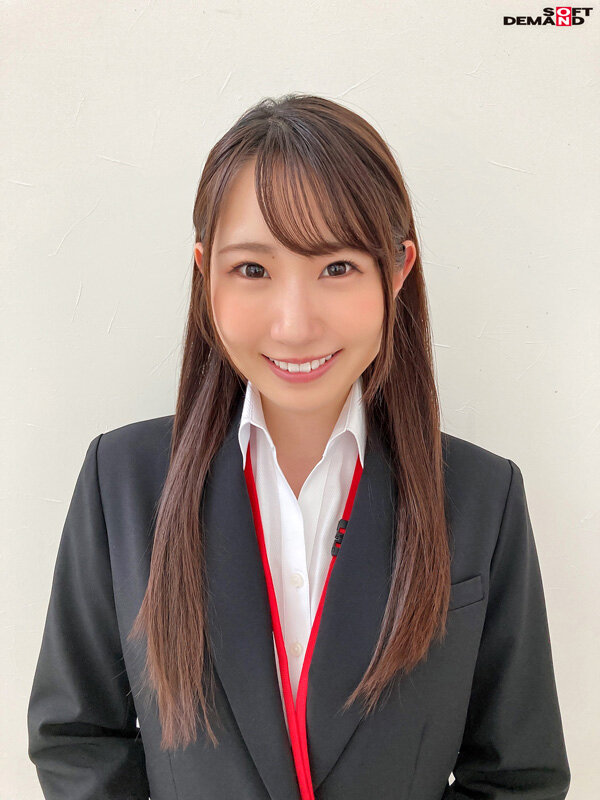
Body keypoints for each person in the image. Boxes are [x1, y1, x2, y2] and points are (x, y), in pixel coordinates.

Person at [27, 93, 571, 800]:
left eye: (336, 267)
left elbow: (517, 775)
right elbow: (77, 737)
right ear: (205, 272)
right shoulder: (122, 481)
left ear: (397, 271)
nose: (294, 324)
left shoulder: (480, 496)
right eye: (252, 270)